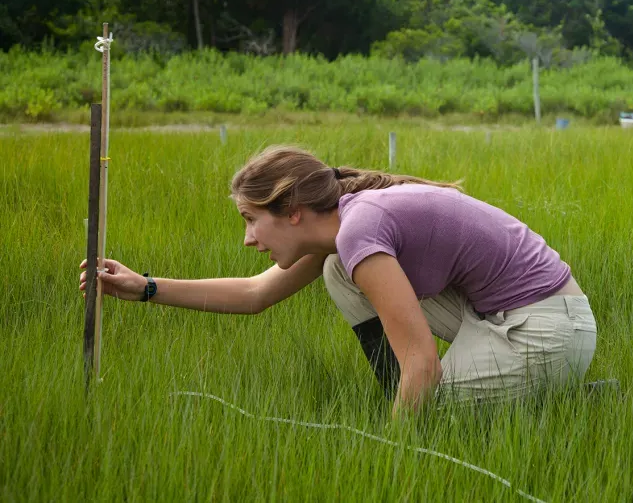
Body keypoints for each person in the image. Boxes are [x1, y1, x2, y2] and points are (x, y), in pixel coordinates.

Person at [78, 145, 598, 417]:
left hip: (543, 329)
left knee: (433, 408)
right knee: (337, 275)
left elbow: (421, 363)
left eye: (251, 220)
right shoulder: (345, 229)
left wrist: (395, 453)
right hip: (511, 315)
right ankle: (460, 394)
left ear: (294, 212)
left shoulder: (360, 232)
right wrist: (145, 286)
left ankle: (571, 395)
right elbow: (257, 294)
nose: (248, 239)